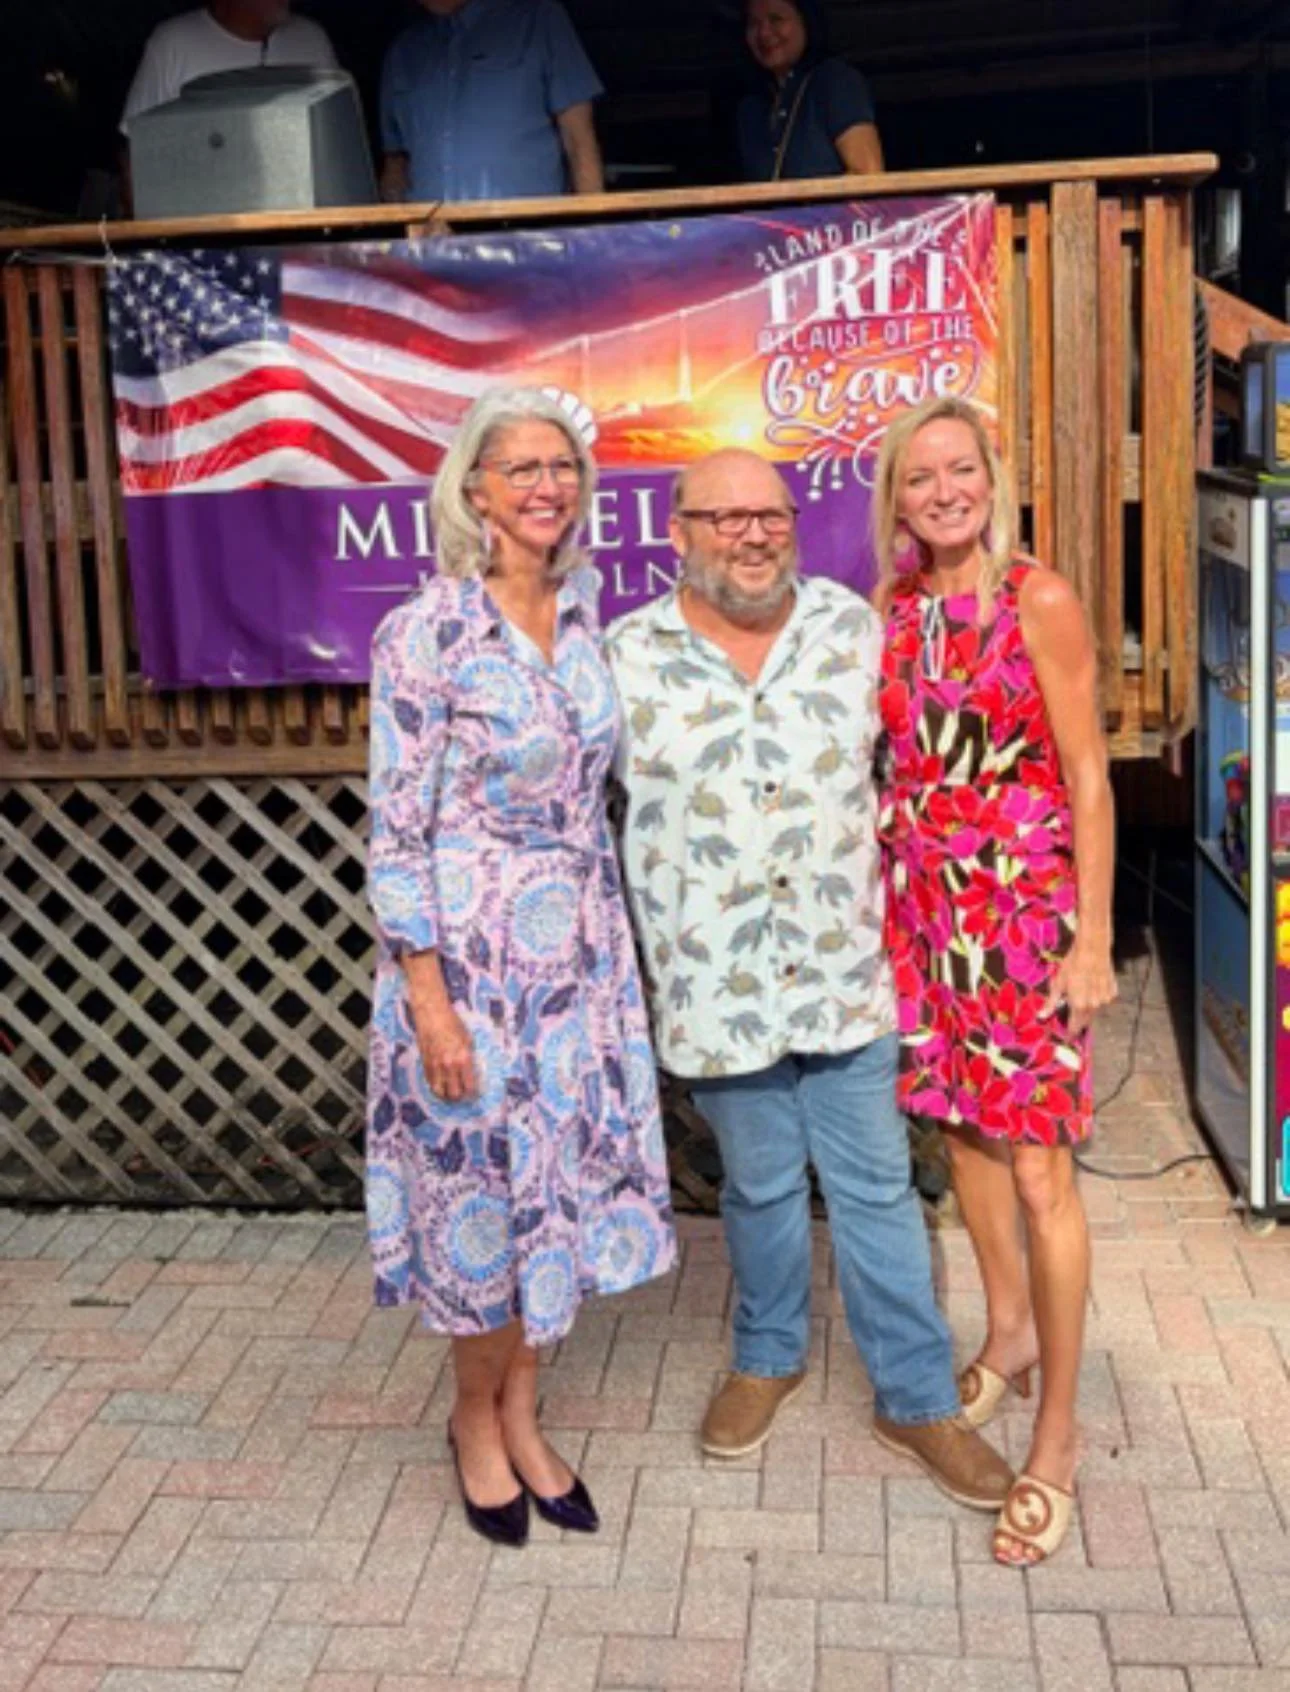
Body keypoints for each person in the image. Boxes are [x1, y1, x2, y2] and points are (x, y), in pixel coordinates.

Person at [606, 447, 1014, 1513]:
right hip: (717, 980)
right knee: (759, 1186)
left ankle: (917, 1396)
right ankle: (767, 1353)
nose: (751, 535)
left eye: (769, 516)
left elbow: (936, 771)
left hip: (845, 972)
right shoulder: (621, 658)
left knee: (878, 1188)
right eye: (724, 516)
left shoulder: (852, 631)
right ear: (679, 530)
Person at [365, 387, 676, 1548]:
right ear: (474, 489)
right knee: (478, 1204)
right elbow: (396, 834)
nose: (548, 484)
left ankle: (529, 1412)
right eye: (521, 468)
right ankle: (472, 1420)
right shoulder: (428, 633)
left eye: (563, 467)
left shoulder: (587, 618)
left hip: (581, 965)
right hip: (471, 970)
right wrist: (429, 1003)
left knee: (559, 1191)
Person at [873, 396, 1118, 1566]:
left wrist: (1093, 937)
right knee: (963, 1143)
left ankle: (1059, 1433)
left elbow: (1087, 771)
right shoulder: (896, 612)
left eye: (958, 470)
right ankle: (1008, 1333)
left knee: (1038, 1168)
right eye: (919, 478)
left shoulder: (1041, 599)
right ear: (897, 501)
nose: (943, 492)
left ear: (990, 476)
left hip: (1023, 922)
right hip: (928, 921)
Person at [379, 0, 604, 205]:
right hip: (430, 241)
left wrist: (595, 237)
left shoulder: (539, 19)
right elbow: (396, 165)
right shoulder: (403, 51)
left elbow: (579, 140)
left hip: (526, 239)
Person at [737, 0, 883, 183]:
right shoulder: (751, 106)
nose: (764, 33)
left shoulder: (834, 79)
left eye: (776, 19)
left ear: (806, 22)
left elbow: (868, 174)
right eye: (753, 23)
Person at [121, 2, 337, 124]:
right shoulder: (174, 42)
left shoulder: (312, 40)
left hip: (298, 202)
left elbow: (338, 136)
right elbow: (134, 154)